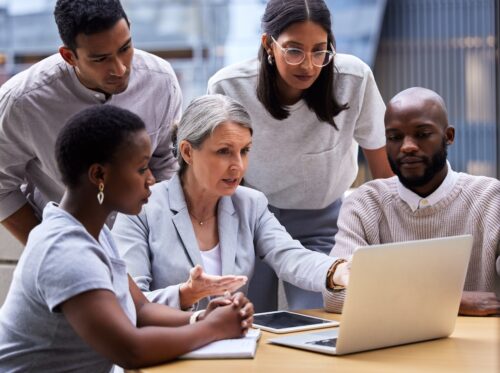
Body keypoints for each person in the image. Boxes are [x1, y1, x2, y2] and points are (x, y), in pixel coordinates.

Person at [0, 105, 253, 372]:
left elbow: (140, 309)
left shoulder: (93, 232)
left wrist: (200, 317)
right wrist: (213, 328)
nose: (151, 179)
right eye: (142, 168)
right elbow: (130, 350)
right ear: (99, 175)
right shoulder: (65, 250)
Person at [207, 0, 393, 311]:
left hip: (322, 219)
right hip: (251, 220)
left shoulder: (353, 79)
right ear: (269, 44)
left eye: (320, 50)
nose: (308, 65)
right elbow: (213, 171)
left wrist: (391, 240)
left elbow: (383, 173)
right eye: (294, 50)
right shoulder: (229, 86)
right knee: (250, 319)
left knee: (320, 315)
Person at [112, 94, 350, 311]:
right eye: (224, 151)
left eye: (244, 151)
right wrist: (185, 294)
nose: (238, 165)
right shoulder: (140, 210)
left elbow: (290, 256)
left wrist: (337, 271)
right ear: (187, 152)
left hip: (234, 348)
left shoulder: (250, 203)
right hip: (167, 347)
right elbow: (129, 300)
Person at [0, 0, 181, 245]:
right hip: (68, 245)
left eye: (125, 47)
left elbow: (166, 164)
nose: (120, 68)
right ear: (69, 56)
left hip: (145, 243)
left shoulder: (160, 80)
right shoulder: (22, 102)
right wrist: (49, 247)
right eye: (100, 59)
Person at [323, 87, 500, 316]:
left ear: (449, 136)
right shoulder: (364, 203)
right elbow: (335, 294)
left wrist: (388, 295)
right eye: (394, 137)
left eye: (422, 134)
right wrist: (451, 300)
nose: (407, 146)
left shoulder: (492, 198)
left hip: (475, 348)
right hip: (393, 348)